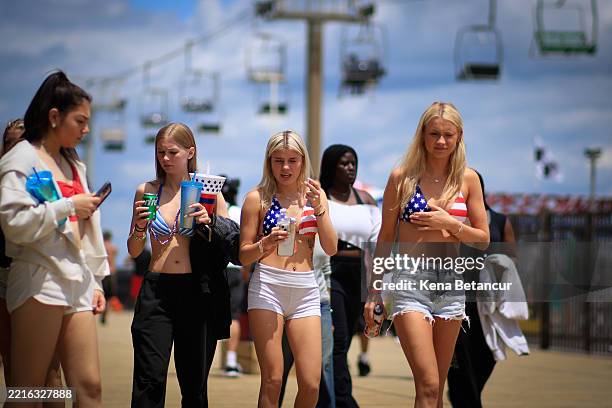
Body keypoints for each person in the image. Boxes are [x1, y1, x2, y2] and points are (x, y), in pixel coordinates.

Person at [364, 102, 489, 408]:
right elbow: (386, 236)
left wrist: (450, 224)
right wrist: (374, 289)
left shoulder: (468, 179)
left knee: (435, 389)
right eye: (434, 133)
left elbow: (483, 239)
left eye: (448, 134)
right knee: (429, 384)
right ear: (422, 134)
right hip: (409, 281)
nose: (441, 141)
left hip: (450, 283)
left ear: (459, 136)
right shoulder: (402, 177)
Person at [0, 71, 109, 407]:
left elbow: (87, 228)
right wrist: (68, 205)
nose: (86, 129)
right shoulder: (21, 160)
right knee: (30, 391)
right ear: (54, 117)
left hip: (77, 278)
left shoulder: (73, 163)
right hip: (39, 277)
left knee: (88, 387)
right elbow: (13, 223)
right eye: (80, 120)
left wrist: (96, 280)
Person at [128, 122, 238, 408]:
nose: (165, 159)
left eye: (172, 152)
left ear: (190, 152)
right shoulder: (148, 190)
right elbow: (134, 249)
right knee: (149, 378)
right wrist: (140, 227)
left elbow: (229, 242)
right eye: (160, 152)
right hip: (156, 289)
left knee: (194, 385)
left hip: (196, 291)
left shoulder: (209, 192)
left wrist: (210, 221)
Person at [239, 130, 337, 408]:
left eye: (292, 160)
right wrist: (264, 243)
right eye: (278, 160)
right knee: (272, 378)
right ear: (269, 162)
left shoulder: (315, 195)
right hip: (268, 285)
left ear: (302, 160)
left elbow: (331, 247)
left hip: (306, 287)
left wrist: (320, 209)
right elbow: (243, 256)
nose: (285, 167)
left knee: (311, 382)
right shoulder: (257, 198)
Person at [447, 170, 516, 408]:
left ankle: (465, 397)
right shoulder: (452, 217)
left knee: (487, 356)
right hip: (457, 296)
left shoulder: (499, 220)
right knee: (460, 359)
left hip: (489, 300)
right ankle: (467, 401)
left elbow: (511, 258)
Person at [319, 144, 381, 407]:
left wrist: (374, 287)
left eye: (353, 163)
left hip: (359, 274)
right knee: (339, 338)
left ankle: (330, 397)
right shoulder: (321, 196)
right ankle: (343, 399)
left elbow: (375, 244)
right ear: (332, 166)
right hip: (331, 273)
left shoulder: (365, 200)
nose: (350, 168)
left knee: (356, 335)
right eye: (344, 163)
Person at [278, 235, 335, 408]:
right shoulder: (282, 225)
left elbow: (327, 271)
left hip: (320, 303)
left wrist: (329, 315)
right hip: (284, 303)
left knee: (322, 366)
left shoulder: (320, 226)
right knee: (279, 369)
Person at [0, 118, 25, 383]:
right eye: (9, 142)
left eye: (20, 141)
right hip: (3, 273)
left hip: (34, 272)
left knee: (50, 365)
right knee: (9, 355)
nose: (14, 147)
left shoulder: (43, 177)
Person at [219, 175, 246, 377]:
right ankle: (231, 360)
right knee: (234, 316)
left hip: (214, 267)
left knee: (209, 314)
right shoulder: (238, 212)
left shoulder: (212, 208)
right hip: (235, 268)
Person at [100, 229, 118, 324]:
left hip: (102, 272)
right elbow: (114, 260)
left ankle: (100, 311)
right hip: (111, 272)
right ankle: (105, 314)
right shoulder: (113, 248)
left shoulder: (100, 246)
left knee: (100, 293)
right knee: (109, 296)